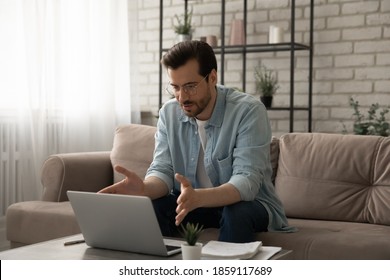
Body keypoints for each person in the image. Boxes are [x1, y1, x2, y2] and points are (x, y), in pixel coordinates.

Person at [99, 40, 295, 243]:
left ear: (212, 77)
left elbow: (246, 182)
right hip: (194, 203)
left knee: (237, 213)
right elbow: (163, 169)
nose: (182, 97)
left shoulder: (248, 111)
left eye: (190, 86)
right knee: (153, 206)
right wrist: (144, 189)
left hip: (249, 204)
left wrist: (199, 197)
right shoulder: (169, 113)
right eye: (175, 87)